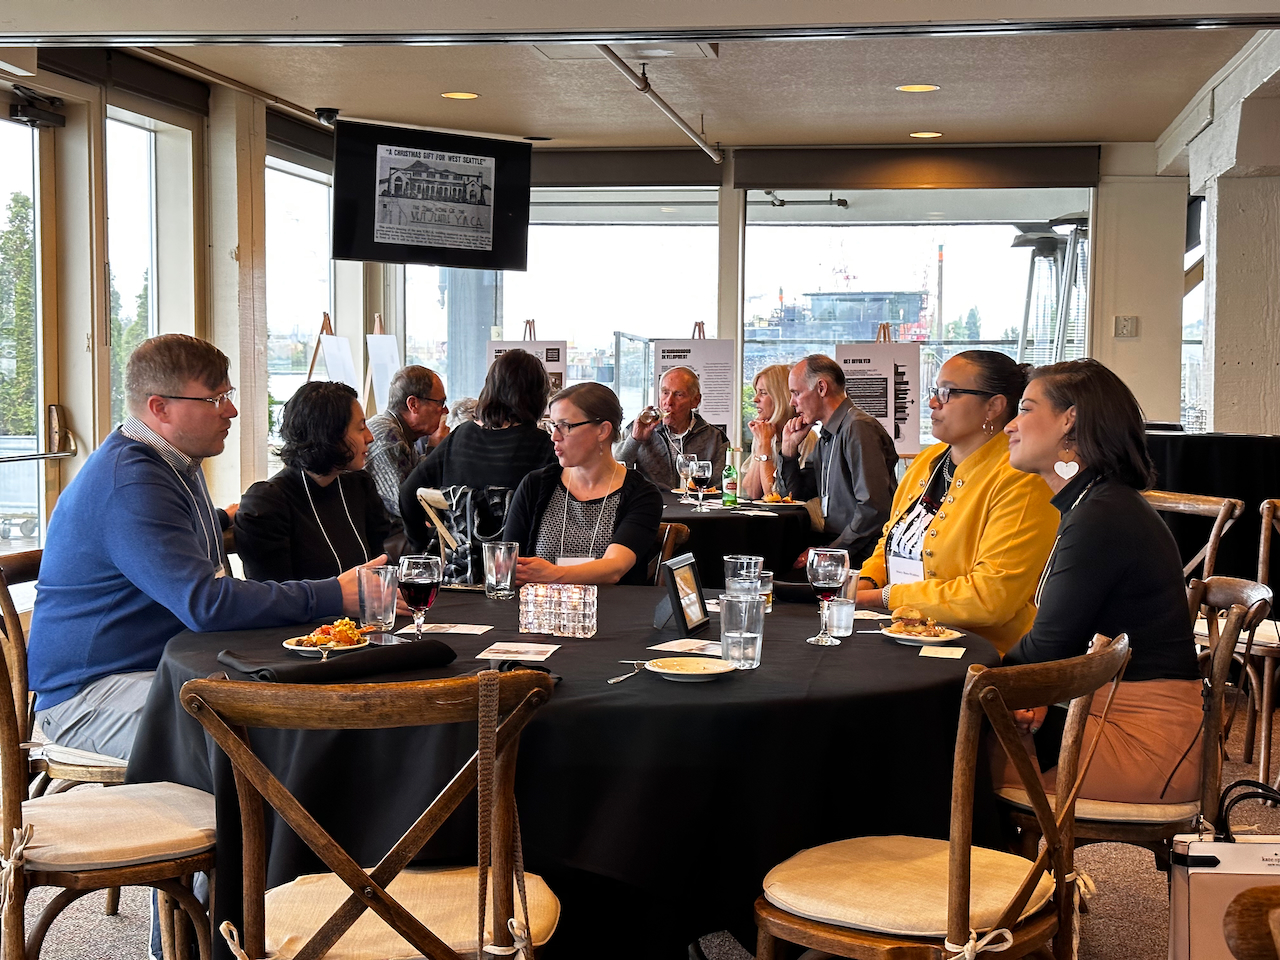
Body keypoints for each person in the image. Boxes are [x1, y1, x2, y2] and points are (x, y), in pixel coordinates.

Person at [27, 335, 372, 760]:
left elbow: (171, 538)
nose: (232, 409)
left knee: (305, 712)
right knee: (269, 740)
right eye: (216, 399)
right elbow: (205, 604)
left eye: (228, 394)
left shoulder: (173, 462)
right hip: (90, 693)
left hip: (163, 667)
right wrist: (336, 592)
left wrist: (221, 518)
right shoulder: (131, 481)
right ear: (160, 407)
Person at [1000, 358, 1201, 803]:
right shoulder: (1097, 502)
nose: (1010, 426)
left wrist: (974, 673)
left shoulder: (1100, 515)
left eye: (1027, 409)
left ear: (1070, 420)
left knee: (950, 735)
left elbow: (1048, 646)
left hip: (1143, 742)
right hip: (1102, 711)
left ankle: (1001, 867)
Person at [852, 351, 1059, 655]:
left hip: (980, 654)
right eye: (935, 392)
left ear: (994, 406)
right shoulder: (926, 462)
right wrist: (867, 581)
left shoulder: (1022, 479)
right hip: (903, 635)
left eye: (948, 393)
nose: (933, 402)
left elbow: (991, 599)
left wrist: (882, 597)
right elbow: (890, 542)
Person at [399, 349, 557, 554]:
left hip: (460, 570)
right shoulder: (544, 447)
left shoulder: (459, 437)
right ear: (537, 396)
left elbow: (407, 492)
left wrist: (422, 547)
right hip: (520, 570)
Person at [506, 382, 663, 586]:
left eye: (566, 426)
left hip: (612, 613)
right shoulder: (535, 486)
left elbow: (615, 567)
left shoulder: (641, 494)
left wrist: (553, 574)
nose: (554, 436)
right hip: (540, 613)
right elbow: (508, 563)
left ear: (602, 430)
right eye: (552, 425)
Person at [236, 381, 392, 581]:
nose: (370, 437)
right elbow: (273, 597)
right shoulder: (268, 503)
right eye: (361, 428)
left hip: (365, 610)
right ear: (330, 434)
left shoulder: (359, 485)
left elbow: (380, 566)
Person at [778, 354, 898, 567]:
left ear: (822, 388)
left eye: (796, 393)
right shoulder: (828, 434)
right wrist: (788, 451)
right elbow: (796, 495)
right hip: (840, 546)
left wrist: (832, 553)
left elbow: (874, 508)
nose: (792, 403)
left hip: (863, 556)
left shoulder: (858, 428)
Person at [614, 366, 729, 490]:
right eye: (665, 393)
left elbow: (721, 487)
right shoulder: (637, 429)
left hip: (697, 505)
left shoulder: (715, 437)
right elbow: (615, 471)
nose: (668, 402)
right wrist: (634, 439)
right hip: (651, 504)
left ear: (695, 401)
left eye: (678, 395)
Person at [363, 365, 448, 522]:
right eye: (440, 402)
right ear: (413, 404)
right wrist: (436, 451)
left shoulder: (402, 433)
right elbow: (404, 505)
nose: (446, 411)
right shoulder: (386, 435)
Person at [741, 364, 817, 501]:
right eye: (756, 392)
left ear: (780, 397)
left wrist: (764, 445)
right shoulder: (764, 432)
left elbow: (776, 497)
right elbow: (752, 491)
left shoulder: (805, 438)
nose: (755, 399)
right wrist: (762, 442)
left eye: (763, 393)